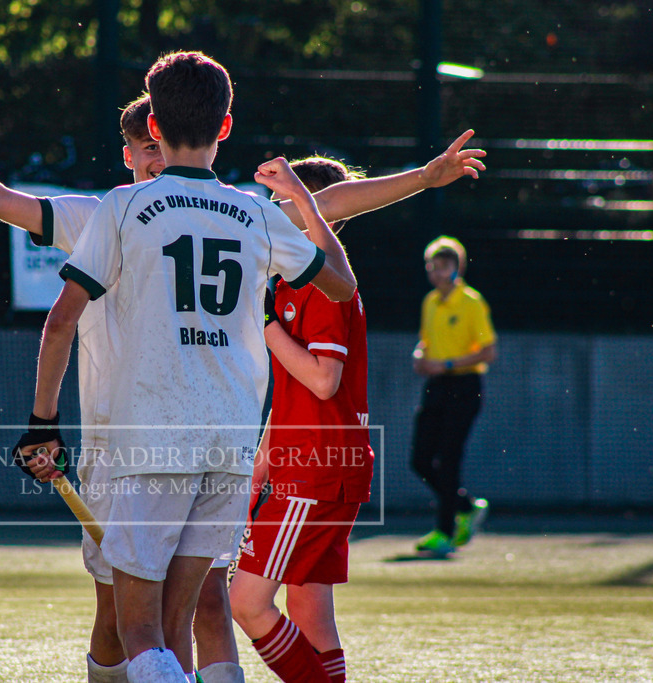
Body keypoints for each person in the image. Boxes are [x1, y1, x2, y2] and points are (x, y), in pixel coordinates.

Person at [0, 93, 486, 683]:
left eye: (157, 146)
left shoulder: (199, 208)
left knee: (188, 611)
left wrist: (422, 179)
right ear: (131, 151)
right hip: (147, 445)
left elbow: (322, 203)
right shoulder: (105, 213)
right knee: (124, 620)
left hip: (159, 446)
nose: (152, 158)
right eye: (142, 150)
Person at [14, 50, 360, 682]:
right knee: (185, 623)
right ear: (225, 127)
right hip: (229, 443)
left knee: (136, 626)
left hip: (153, 440)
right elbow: (340, 284)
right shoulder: (257, 212)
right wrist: (307, 205)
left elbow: (61, 320)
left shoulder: (123, 207)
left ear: (154, 129)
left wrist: (42, 421)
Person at [229, 157, 374, 683]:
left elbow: (321, 380)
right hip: (314, 465)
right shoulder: (294, 283)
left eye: (283, 205)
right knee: (311, 611)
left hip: (316, 469)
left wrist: (265, 326)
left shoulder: (319, 285)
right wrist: (264, 459)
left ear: (316, 213)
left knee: (246, 603)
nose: (269, 219)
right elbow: (294, 391)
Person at [410, 235, 496, 557]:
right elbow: (425, 342)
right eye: (431, 266)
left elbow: (488, 351)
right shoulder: (430, 302)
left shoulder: (472, 302)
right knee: (419, 459)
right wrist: (420, 356)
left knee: (448, 461)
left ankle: (445, 532)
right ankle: (466, 507)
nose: (436, 272)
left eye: (443, 266)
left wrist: (446, 364)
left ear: (456, 268)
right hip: (436, 387)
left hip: (464, 386)